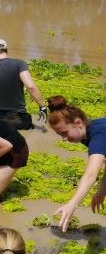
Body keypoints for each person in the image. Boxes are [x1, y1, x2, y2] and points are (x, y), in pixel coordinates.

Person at [46, 96, 105, 232]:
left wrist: (72, 204)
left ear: (78, 123)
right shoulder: (90, 131)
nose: (64, 139)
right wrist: (102, 190)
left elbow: (90, 175)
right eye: (60, 135)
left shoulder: (98, 133)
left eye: (65, 133)